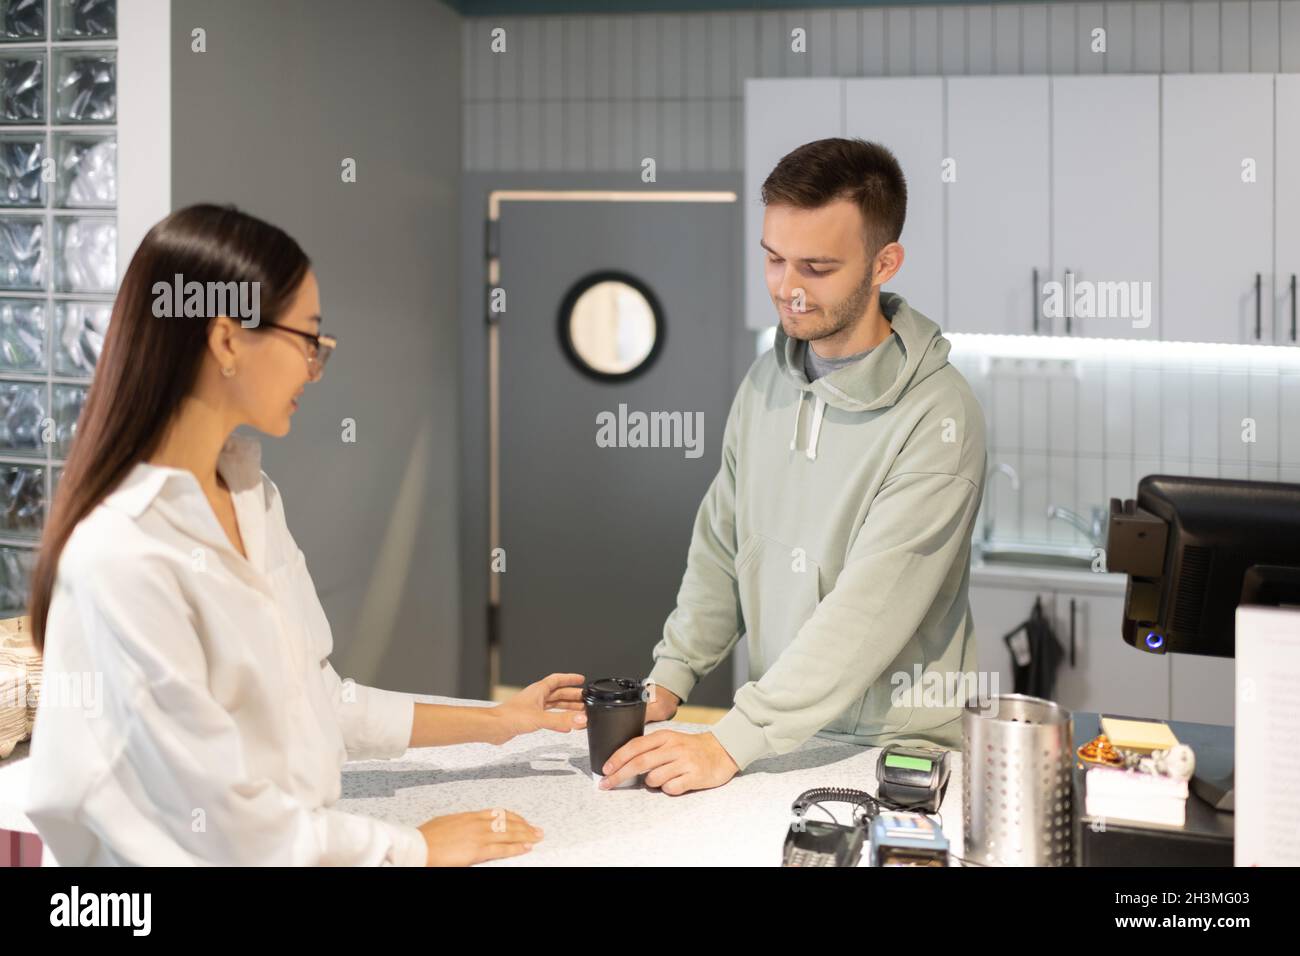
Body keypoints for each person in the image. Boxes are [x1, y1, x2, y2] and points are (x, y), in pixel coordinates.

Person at [24, 203, 587, 866]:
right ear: (228, 339)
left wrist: (500, 724)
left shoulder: (253, 499)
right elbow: (224, 822)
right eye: (307, 338)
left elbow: (314, 699)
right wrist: (412, 849)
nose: (315, 366)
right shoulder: (122, 551)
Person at [599, 138, 988, 794]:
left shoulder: (938, 418)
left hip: (889, 749)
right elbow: (722, 545)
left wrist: (731, 741)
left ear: (884, 262)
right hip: (782, 732)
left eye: (817, 266)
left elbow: (866, 613)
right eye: (774, 260)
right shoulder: (766, 382)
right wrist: (672, 676)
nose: (789, 289)